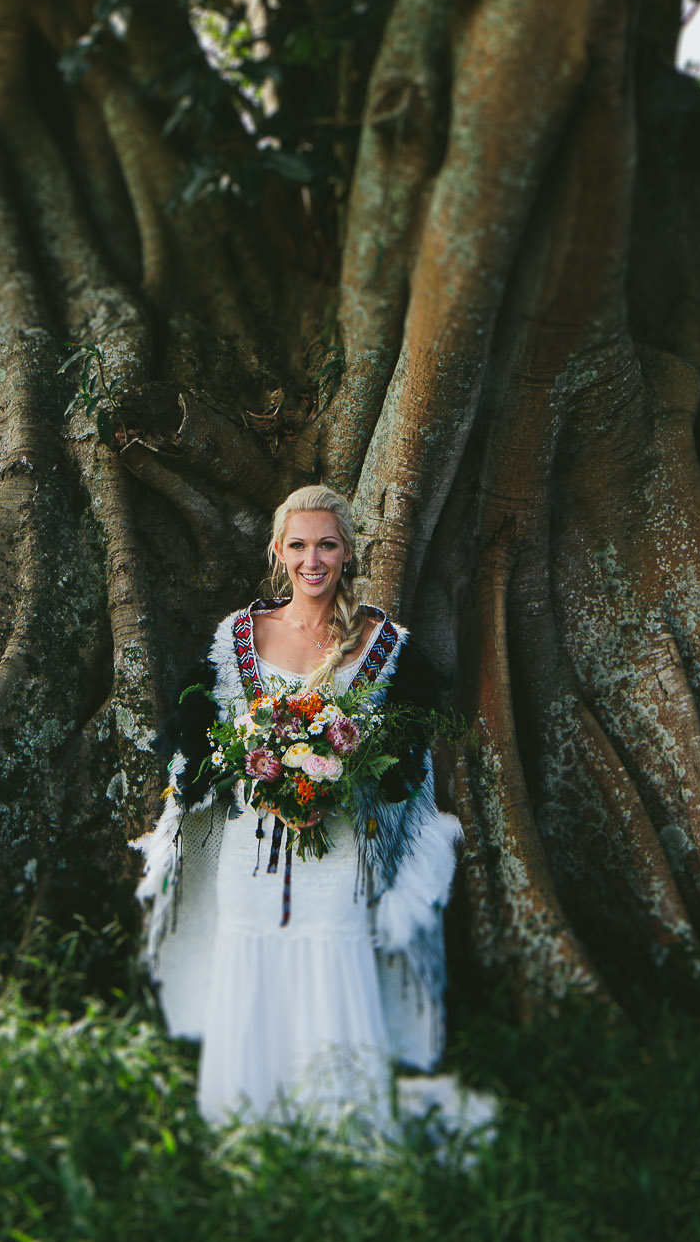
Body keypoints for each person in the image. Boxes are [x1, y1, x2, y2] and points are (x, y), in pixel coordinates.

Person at [133, 484, 462, 1136]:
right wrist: (252, 774)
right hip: (250, 848)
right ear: (279, 551)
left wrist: (339, 779)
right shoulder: (240, 636)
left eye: (328, 545)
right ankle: (250, 1126)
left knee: (331, 953)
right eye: (300, 545)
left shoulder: (384, 643)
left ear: (347, 553)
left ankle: (343, 1128)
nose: (314, 559)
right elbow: (200, 740)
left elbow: (409, 754)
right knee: (252, 957)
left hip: (339, 847)